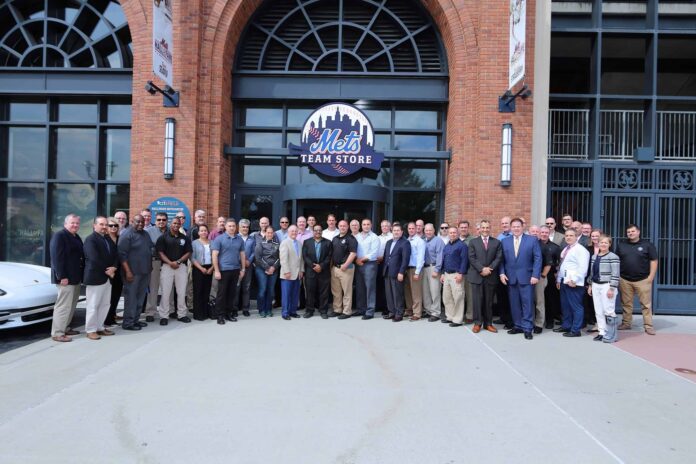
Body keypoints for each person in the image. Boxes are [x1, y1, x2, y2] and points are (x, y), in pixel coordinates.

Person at [499, 217, 542, 340]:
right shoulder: (505, 241)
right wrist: (502, 273)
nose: (516, 229)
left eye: (518, 226)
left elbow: (538, 258)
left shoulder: (532, 240)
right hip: (511, 277)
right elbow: (501, 259)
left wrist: (535, 275)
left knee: (527, 304)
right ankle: (518, 325)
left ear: (523, 227)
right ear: (510, 228)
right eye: (514, 227)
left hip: (527, 278)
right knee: (514, 304)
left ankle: (527, 328)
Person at [615, 224, 658, 335]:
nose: (630, 233)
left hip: (643, 279)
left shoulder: (647, 245)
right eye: (628, 232)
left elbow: (654, 260)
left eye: (633, 231)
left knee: (646, 304)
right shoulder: (621, 245)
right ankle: (626, 323)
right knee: (626, 303)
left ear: (638, 232)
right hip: (625, 279)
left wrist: (651, 277)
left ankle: (648, 326)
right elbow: (616, 261)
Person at [49, 214, 84, 342]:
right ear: (65, 224)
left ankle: (66, 328)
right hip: (65, 278)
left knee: (72, 305)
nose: (75, 225)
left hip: (75, 278)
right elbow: (56, 258)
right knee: (63, 306)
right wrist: (62, 276)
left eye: (77, 223)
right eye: (72, 223)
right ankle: (57, 333)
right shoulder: (59, 236)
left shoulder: (76, 236)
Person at [83, 216, 119, 340]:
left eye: (105, 224)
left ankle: (99, 327)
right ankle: (90, 330)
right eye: (101, 224)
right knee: (93, 305)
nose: (104, 227)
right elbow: (94, 258)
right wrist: (108, 271)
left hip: (108, 278)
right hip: (95, 277)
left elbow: (116, 254)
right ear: (94, 225)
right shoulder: (90, 239)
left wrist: (114, 267)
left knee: (105, 304)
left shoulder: (107, 238)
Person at [554, 228, 591, 338]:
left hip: (574, 282)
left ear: (576, 237)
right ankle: (567, 325)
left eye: (571, 235)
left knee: (576, 306)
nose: (568, 237)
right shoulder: (567, 248)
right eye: (567, 235)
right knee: (565, 306)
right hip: (564, 281)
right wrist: (559, 279)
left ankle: (576, 330)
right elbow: (563, 265)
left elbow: (583, 268)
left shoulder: (581, 250)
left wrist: (575, 279)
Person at [156, 216, 193, 325]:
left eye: (178, 223)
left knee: (181, 292)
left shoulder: (185, 238)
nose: (176, 225)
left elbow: (189, 252)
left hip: (181, 267)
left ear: (180, 225)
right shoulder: (163, 237)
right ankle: (164, 316)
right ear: (170, 224)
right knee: (165, 292)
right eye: (174, 223)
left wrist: (179, 261)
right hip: (167, 267)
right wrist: (170, 262)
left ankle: (182, 314)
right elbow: (160, 252)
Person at [118, 215, 152, 331]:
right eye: (138, 222)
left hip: (145, 272)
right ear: (132, 221)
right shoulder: (127, 234)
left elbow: (149, 249)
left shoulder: (145, 234)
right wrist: (128, 271)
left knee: (140, 298)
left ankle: (136, 320)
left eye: (142, 222)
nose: (140, 224)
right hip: (132, 273)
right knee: (131, 298)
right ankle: (128, 323)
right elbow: (122, 255)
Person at [467, 220, 502, 333]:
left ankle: (488, 324)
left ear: (490, 228)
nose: (485, 230)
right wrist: (481, 269)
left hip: (491, 276)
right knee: (477, 301)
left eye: (487, 227)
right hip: (477, 275)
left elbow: (498, 258)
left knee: (489, 302)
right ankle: (477, 323)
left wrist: (489, 269)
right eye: (483, 227)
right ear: (480, 229)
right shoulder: (473, 242)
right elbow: (472, 258)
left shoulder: (496, 242)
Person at [212, 218, 246, 325]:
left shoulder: (239, 239)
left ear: (236, 227)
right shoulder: (219, 239)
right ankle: (220, 315)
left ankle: (228, 314)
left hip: (235, 270)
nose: (231, 228)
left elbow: (242, 255)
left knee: (232, 293)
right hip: (223, 270)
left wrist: (243, 269)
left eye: (233, 226)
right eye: (229, 226)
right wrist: (217, 270)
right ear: (225, 227)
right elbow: (214, 255)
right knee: (222, 294)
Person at [588, 235, 621, 342]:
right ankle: (602, 332)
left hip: (607, 285)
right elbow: (592, 273)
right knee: (598, 310)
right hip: (595, 285)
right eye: (601, 242)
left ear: (609, 244)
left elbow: (615, 274)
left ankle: (612, 334)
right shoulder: (594, 256)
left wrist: (612, 288)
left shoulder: (613, 257)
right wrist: (590, 285)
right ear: (598, 243)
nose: (603, 244)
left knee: (609, 310)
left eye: (606, 242)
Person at [382, 223, 411, 322]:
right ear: (392, 231)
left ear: (402, 232)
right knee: (389, 294)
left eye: (398, 230)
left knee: (397, 294)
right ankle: (392, 312)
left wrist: (401, 272)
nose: (396, 232)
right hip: (387, 271)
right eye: (394, 230)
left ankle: (399, 314)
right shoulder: (388, 242)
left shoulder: (405, 243)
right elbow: (386, 257)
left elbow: (405, 259)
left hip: (397, 272)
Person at [302, 224, 332, 319]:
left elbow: (329, 257)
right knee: (310, 291)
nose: (318, 232)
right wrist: (313, 266)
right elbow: (305, 256)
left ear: (322, 231)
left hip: (324, 271)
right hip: (310, 271)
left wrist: (321, 266)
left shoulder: (328, 242)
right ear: (313, 231)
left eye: (319, 230)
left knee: (324, 292)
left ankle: (323, 311)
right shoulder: (307, 242)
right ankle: (309, 310)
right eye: (316, 230)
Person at [441, 226, 468, 327]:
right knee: (447, 297)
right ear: (448, 234)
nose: (452, 234)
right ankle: (450, 316)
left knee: (458, 297)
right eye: (451, 233)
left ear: (458, 233)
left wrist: (461, 273)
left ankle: (457, 320)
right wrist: (442, 273)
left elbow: (465, 260)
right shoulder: (447, 246)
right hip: (447, 274)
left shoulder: (462, 246)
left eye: (454, 233)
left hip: (456, 274)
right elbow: (444, 260)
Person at [354, 218, 380, 319]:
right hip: (358, 264)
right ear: (361, 226)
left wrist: (361, 259)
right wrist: (356, 260)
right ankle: (361, 309)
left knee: (370, 288)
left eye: (368, 224)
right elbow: (354, 249)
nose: (366, 226)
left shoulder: (374, 237)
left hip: (370, 264)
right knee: (360, 287)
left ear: (371, 225)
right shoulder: (357, 236)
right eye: (364, 224)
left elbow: (374, 253)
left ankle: (370, 311)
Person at [331, 219, 357, 318]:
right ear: (338, 226)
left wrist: (345, 265)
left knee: (347, 291)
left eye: (344, 226)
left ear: (347, 227)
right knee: (336, 291)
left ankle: (347, 311)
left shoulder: (351, 239)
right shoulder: (335, 238)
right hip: (335, 268)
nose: (342, 227)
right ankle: (337, 309)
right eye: (341, 226)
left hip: (346, 268)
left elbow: (353, 253)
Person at [144, 212, 167, 322]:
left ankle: (169, 311)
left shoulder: (170, 231)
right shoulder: (148, 232)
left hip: (168, 263)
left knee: (168, 289)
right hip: (155, 261)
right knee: (153, 288)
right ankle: (150, 312)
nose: (161, 222)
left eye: (163, 220)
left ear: (166, 221)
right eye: (159, 220)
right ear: (155, 220)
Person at [538, 225, 562, 330]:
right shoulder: (535, 245)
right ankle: (538, 320)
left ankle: (549, 321)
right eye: (542, 232)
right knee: (538, 300)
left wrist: (557, 274)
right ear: (539, 233)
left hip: (550, 276)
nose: (544, 234)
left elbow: (559, 262)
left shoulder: (555, 247)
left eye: (546, 233)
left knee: (550, 299)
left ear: (549, 234)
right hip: (536, 276)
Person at [255, 227, 280, 317]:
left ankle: (268, 309)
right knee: (263, 289)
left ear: (273, 233)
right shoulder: (260, 244)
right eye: (268, 232)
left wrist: (273, 267)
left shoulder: (277, 244)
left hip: (274, 270)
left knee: (271, 291)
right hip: (261, 270)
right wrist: (267, 268)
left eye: (271, 233)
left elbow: (280, 258)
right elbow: (258, 258)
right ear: (265, 233)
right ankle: (261, 309)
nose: (270, 234)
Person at [232, 219, 255, 318]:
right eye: (243, 227)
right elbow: (233, 251)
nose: (245, 229)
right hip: (237, 266)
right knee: (236, 288)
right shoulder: (235, 238)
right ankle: (234, 309)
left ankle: (246, 308)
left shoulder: (252, 239)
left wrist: (249, 260)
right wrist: (242, 261)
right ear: (239, 227)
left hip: (248, 266)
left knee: (247, 288)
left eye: (247, 227)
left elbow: (254, 251)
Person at [191, 224, 214, 321]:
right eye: (201, 231)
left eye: (205, 230)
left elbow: (216, 256)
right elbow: (192, 258)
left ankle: (206, 312)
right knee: (198, 291)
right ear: (198, 232)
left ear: (208, 232)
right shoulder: (194, 243)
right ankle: (198, 314)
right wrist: (201, 268)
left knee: (207, 291)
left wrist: (212, 268)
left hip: (210, 268)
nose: (204, 232)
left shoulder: (212, 242)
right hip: (198, 268)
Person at [279, 225, 303, 320]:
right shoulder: (285, 243)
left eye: (296, 231)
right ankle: (285, 313)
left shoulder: (299, 243)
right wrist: (286, 271)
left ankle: (293, 311)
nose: (294, 233)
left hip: (297, 274)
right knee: (286, 295)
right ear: (288, 232)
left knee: (295, 294)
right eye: (292, 231)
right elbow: (283, 259)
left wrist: (301, 270)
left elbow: (301, 259)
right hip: (287, 274)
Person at [422, 223, 444, 322]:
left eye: (430, 230)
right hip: (424, 268)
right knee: (425, 291)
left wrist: (437, 269)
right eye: (426, 230)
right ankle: (428, 311)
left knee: (435, 291)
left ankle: (435, 313)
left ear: (434, 230)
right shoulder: (423, 241)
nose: (428, 232)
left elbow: (440, 255)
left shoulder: (438, 241)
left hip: (434, 267)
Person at [404, 222, 425, 320]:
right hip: (407, 269)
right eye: (409, 228)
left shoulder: (419, 241)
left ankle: (417, 313)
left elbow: (421, 257)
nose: (411, 230)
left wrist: (417, 272)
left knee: (416, 292)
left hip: (415, 269)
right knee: (408, 291)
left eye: (413, 228)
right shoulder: (407, 240)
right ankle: (409, 309)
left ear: (416, 229)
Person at [104, 217, 122, 327]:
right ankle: (106, 319)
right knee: (107, 297)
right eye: (111, 225)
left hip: (119, 272)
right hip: (107, 272)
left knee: (116, 296)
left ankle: (112, 317)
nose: (113, 227)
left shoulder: (120, 238)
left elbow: (121, 254)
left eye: (116, 225)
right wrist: (111, 268)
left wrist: (116, 267)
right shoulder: (104, 239)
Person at [583, 229, 602, 333]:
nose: (594, 238)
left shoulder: (605, 248)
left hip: (601, 278)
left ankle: (600, 324)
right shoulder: (588, 248)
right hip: (589, 277)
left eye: (597, 236)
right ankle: (592, 321)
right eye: (593, 236)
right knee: (590, 300)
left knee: (600, 302)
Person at [458, 220, 474, 323]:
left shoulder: (473, 240)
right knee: (459, 295)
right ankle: (459, 315)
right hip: (457, 272)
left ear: (468, 228)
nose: (463, 229)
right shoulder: (455, 239)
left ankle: (470, 316)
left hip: (469, 272)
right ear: (458, 228)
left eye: (465, 227)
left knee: (470, 295)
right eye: (461, 227)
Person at [376, 220, 393, 313]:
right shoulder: (377, 237)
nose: (384, 227)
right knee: (379, 285)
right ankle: (379, 305)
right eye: (383, 226)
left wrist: (383, 257)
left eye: (386, 226)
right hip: (379, 264)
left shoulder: (393, 237)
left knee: (388, 286)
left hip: (389, 264)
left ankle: (387, 307)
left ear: (390, 227)